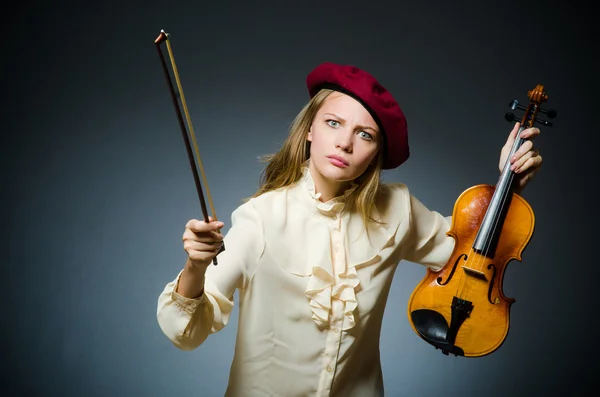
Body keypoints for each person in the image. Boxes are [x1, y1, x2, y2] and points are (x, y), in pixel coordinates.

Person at [156, 62, 542, 396]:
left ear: (377, 153)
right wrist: (195, 267)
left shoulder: (397, 210)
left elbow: (470, 256)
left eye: (365, 134)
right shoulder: (260, 218)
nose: (344, 143)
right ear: (309, 130)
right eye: (333, 123)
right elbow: (186, 331)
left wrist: (508, 183)